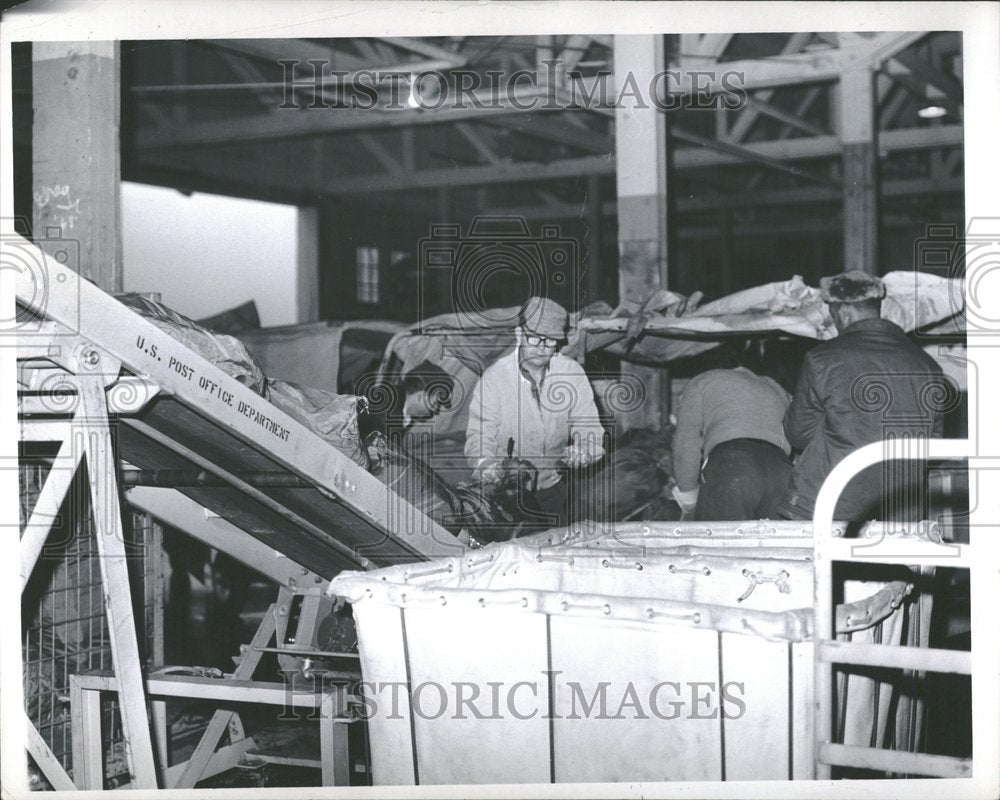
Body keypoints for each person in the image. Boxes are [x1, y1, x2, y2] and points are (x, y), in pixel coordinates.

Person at [778, 270, 946, 521]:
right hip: (900, 509)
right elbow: (934, 443)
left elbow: (798, 434)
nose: (832, 320)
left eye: (832, 313)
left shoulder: (822, 359)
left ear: (844, 311)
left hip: (832, 503)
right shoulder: (929, 367)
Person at [465, 296, 606, 528]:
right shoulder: (495, 378)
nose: (543, 348)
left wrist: (584, 451)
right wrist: (486, 465)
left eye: (551, 342)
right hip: (504, 495)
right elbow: (479, 437)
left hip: (551, 489)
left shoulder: (571, 373)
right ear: (519, 333)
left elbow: (589, 427)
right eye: (535, 339)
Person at [671, 358, 793, 521]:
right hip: (783, 471)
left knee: (719, 544)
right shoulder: (775, 387)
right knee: (777, 545)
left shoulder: (703, 381)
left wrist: (688, 498)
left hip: (732, 466)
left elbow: (686, 444)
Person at [360, 360, 455, 442]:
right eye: (435, 404)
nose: (436, 411)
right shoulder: (386, 403)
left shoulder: (405, 415)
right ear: (420, 395)